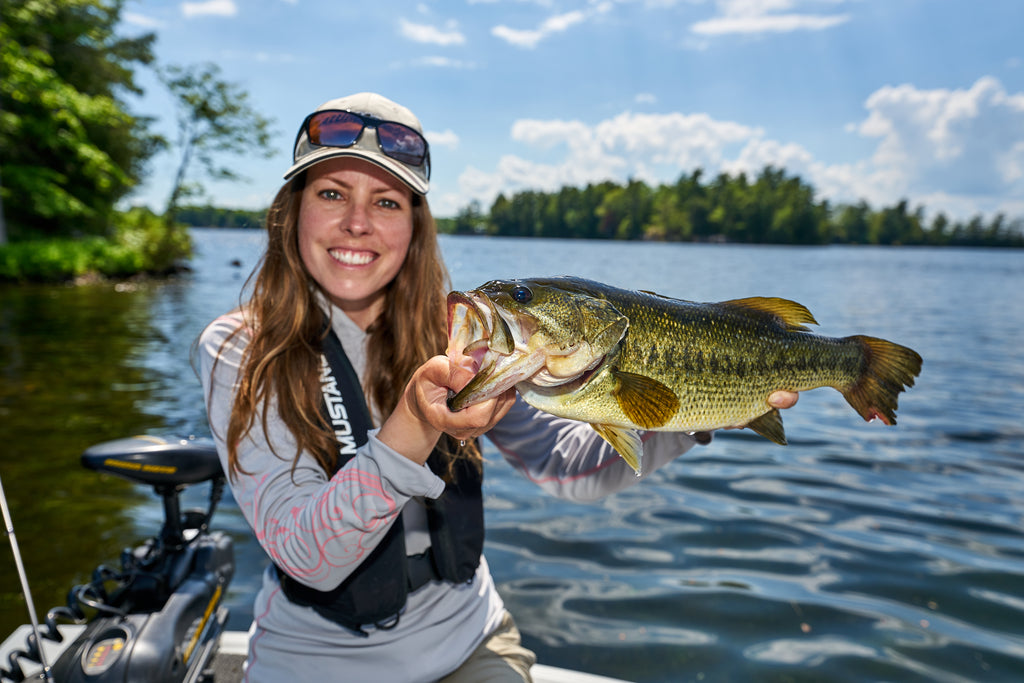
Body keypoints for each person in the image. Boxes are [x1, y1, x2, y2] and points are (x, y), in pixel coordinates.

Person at [197, 92, 798, 683]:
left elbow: (572, 469)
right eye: (332, 193)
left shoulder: (464, 340)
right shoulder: (237, 349)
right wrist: (413, 424)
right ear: (291, 210)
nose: (358, 222)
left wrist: (702, 408)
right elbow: (309, 558)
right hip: (312, 666)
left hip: (470, 644)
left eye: (386, 201)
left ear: (415, 226)